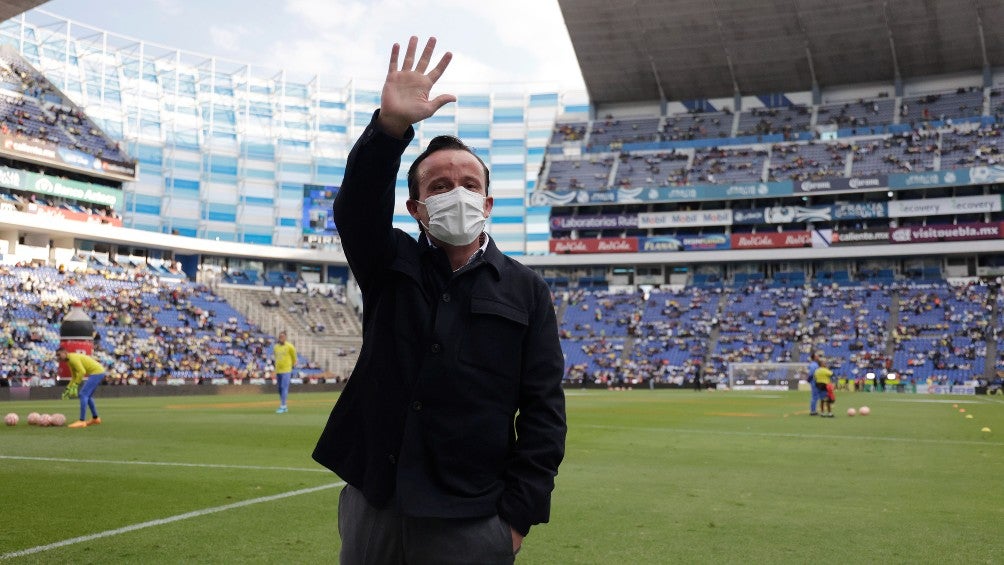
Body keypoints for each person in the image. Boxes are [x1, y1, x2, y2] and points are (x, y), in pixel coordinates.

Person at [312, 36, 566, 564]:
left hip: (472, 516)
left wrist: (517, 518)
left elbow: (544, 411)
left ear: (488, 204)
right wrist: (390, 129)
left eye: (469, 184)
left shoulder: (526, 290)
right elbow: (356, 209)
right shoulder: (389, 262)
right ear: (417, 207)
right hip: (376, 505)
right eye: (440, 186)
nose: (456, 193)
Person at [58, 348, 106, 428]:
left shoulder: (73, 359)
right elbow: (74, 377)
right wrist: (68, 388)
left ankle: (82, 421)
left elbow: (82, 371)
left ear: (65, 353)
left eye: (59, 355)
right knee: (88, 396)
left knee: (83, 394)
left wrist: (76, 384)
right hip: (98, 372)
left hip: (97, 372)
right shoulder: (69, 361)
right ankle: (95, 418)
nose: (58, 357)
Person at [273, 331, 297, 413]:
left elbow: (294, 358)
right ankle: (284, 405)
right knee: (279, 388)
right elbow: (276, 357)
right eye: (280, 337)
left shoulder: (290, 346)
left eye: (283, 337)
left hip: (286, 370)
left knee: (284, 387)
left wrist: (291, 365)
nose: (281, 338)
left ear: (285, 338)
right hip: (278, 370)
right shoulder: (276, 347)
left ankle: (283, 406)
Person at [807, 351, 820, 416]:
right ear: (814, 357)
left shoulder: (814, 364)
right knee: (815, 396)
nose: (818, 357)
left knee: (815, 396)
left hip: (815, 381)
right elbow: (811, 373)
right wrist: (809, 379)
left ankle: (814, 410)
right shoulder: (814, 365)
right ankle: (813, 411)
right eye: (817, 356)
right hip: (815, 382)